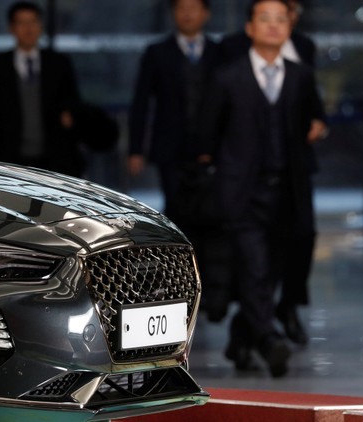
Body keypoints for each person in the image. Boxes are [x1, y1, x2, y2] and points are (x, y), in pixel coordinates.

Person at [197, 0, 322, 377]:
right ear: (249, 28)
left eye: (280, 19)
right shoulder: (227, 76)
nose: (272, 25)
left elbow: (313, 121)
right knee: (254, 268)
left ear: (290, 26)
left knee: (270, 272)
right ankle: (268, 340)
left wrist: (317, 130)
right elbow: (206, 135)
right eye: (264, 19)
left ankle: (240, 337)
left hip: (287, 192)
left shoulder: (300, 75)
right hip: (242, 193)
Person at [128, 0, 221, 220]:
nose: (187, 14)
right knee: (176, 209)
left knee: (212, 210)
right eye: (181, 8)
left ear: (205, 13)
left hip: (213, 148)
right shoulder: (156, 52)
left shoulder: (219, 52)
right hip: (170, 147)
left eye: (193, 8)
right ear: (173, 13)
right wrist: (136, 149)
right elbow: (141, 102)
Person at [0, 1, 83, 177]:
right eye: (21, 22)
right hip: (9, 159)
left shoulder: (58, 63)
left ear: (40, 26)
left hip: (53, 158)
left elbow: (73, 102)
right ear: (11, 28)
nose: (28, 28)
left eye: (33, 22)